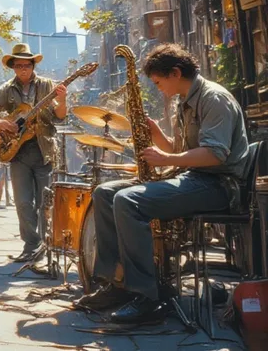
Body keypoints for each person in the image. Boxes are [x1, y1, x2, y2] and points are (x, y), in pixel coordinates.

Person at [74, 44, 249, 324]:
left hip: (219, 185)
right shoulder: (185, 101)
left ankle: (148, 297)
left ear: (175, 73)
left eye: (158, 82)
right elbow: (181, 152)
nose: (158, 89)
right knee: (105, 192)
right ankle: (116, 284)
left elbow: (215, 154)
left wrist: (167, 157)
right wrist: (157, 135)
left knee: (128, 200)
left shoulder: (214, 98)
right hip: (193, 177)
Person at [0, 43, 66, 263]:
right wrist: (0, 123)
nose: (23, 69)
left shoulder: (48, 86)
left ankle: (46, 245)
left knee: (44, 201)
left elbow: (60, 115)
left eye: (26, 65)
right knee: (22, 201)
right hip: (17, 152)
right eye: (18, 65)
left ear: (32, 64)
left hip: (43, 150)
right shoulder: (7, 89)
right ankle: (31, 245)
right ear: (13, 67)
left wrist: (63, 100)